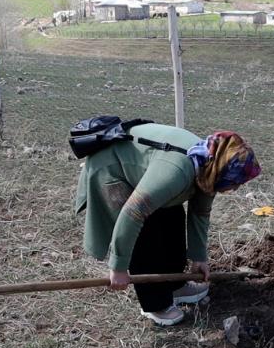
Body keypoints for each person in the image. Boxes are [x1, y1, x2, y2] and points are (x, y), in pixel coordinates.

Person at [75, 123, 261, 326]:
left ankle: (175, 284)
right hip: (111, 168)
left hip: (152, 170)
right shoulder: (177, 172)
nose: (234, 188)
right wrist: (118, 267)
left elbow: (200, 212)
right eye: (235, 182)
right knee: (148, 232)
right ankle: (155, 304)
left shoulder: (210, 165)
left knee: (173, 218)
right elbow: (133, 214)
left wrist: (199, 257)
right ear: (224, 173)